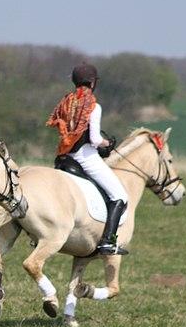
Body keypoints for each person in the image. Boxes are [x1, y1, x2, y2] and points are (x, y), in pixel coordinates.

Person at [46, 63, 129, 255]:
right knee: (120, 196)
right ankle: (108, 241)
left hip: (64, 157)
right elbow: (94, 139)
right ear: (92, 83)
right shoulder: (93, 104)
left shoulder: (66, 101)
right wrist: (107, 144)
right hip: (85, 157)